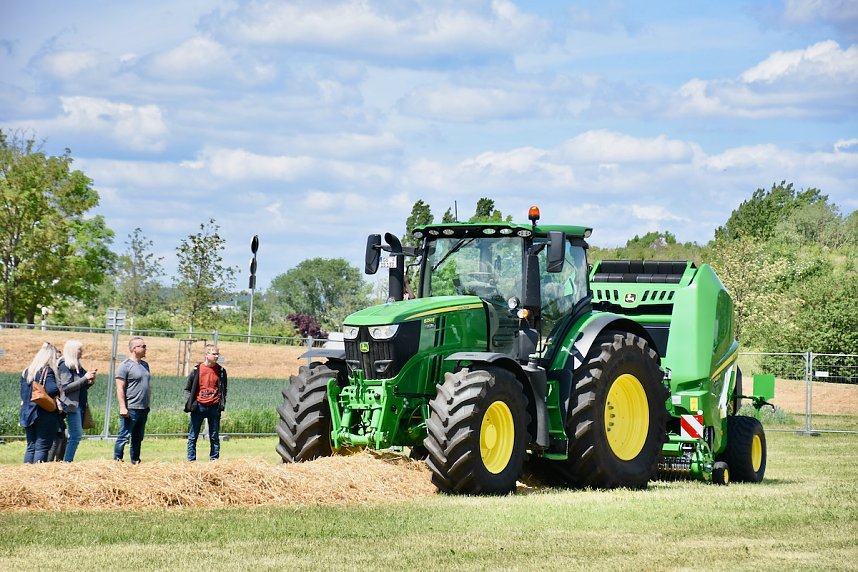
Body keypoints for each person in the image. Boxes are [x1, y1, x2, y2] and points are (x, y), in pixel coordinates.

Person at [19, 342, 62, 463]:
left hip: (27, 413)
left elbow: (23, 393)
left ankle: (27, 474)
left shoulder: (27, 371)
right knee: (42, 447)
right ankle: (38, 476)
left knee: (31, 446)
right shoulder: (47, 370)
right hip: (43, 413)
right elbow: (52, 389)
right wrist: (59, 390)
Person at [184, 344, 228, 461]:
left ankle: (214, 460)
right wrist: (191, 403)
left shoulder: (221, 371)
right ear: (206, 355)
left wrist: (221, 403)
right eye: (214, 354)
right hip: (199, 407)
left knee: (214, 436)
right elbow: (188, 389)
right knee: (193, 436)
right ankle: (191, 460)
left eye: (218, 354)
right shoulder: (197, 370)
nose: (217, 356)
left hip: (214, 407)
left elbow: (224, 389)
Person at [57, 339, 97, 462]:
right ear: (73, 351)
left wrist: (90, 381)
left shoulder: (77, 365)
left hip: (78, 404)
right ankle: (67, 461)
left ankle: (66, 460)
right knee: (76, 435)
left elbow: (81, 385)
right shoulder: (65, 365)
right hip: (70, 405)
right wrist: (85, 378)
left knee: (74, 435)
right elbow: (66, 387)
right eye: (80, 349)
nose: (82, 351)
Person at [113, 336, 151, 464]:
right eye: (143, 346)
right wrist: (123, 407)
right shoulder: (125, 366)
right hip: (131, 408)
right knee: (124, 436)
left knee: (138, 437)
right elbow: (120, 388)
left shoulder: (145, 365)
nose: (146, 349)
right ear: (135, 349)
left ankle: (135, 461)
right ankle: (117, 461)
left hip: (143, 408)